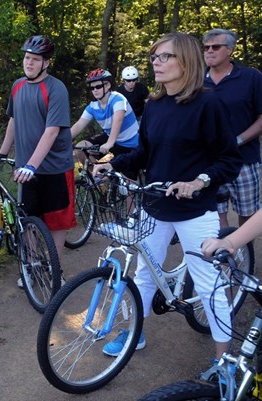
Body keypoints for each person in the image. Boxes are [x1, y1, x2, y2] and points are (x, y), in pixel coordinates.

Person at [92, 32, 242, 365]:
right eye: (154, 58)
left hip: (194, 209)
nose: (156, 63)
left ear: (186, 60)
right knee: (145, 273)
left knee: (209, 285)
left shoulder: (209, 104)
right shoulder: (155, 104)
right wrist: (111, 163)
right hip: (155, 206)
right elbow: (146, 153)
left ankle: (224, 363)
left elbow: (229, 159)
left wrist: (199, 181)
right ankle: (135, 332)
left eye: (165, 57)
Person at [0, 35, 74, 288]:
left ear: (46, 63)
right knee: (28, 219)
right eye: (27, 57)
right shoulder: (17, 86)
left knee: (57, 223)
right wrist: (3, 153)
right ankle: (32, 267)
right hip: (26, 170)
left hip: (54, 168)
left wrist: (31, 165)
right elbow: (13, 121)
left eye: (35, 59)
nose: (29, 62)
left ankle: (55, 269)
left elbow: (51, 131)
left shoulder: (55, 88)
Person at [203, 28, 262, 229]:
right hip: (208, 162)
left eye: (215, 47)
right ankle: (223, 259)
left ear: (230, 50)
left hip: (244, 160)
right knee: (215, 213)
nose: (209, 51)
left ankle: (244, 255)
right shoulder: (196, 81)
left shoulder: (250, 77)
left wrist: (236, 140)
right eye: (206, 47)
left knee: (248, 213)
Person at [71, 68, 140, 179]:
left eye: (98, 86)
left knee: (128, 190)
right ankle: (97, 176)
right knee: (80, 148)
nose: (95, 90)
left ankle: (115, 180)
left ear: (108, 85)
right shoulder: (93, 106)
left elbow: (118, 120)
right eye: (92, 88)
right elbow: (79, 124)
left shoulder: (118, 98)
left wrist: (110, 142)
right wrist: (62, 140)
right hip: (112, 144)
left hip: (130, 146)